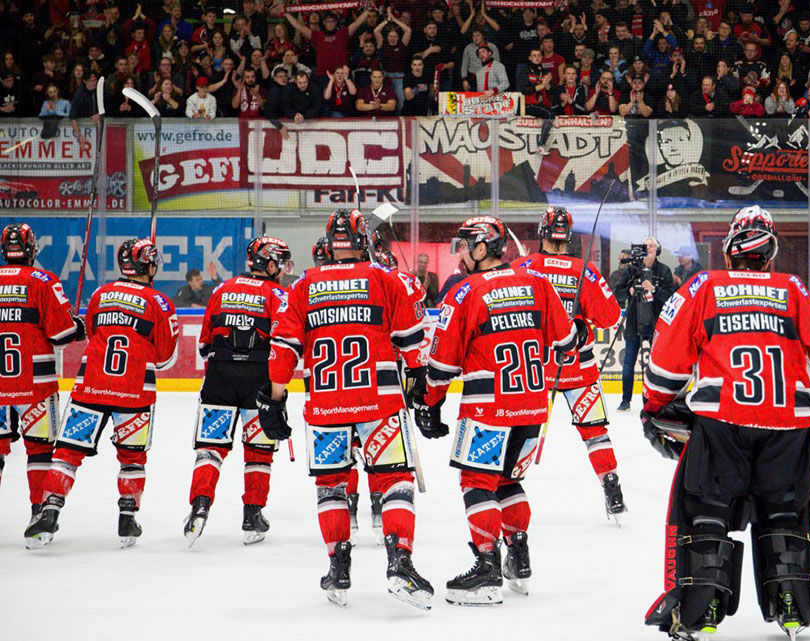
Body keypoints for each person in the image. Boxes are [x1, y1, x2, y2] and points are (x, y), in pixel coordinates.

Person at [641, 206, 810, 639]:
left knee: (707, 511)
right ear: (769, 255)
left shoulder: (704, 285)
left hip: (723, 423)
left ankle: (702, 609)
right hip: (788, 425)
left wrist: (654, 405)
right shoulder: (793, 288)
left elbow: (666, 360)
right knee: (784, 512)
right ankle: (794, 603)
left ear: (730, 250)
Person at [257, 209, 432, 610]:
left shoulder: (304, 286)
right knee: (395, 481)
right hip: (380, 401)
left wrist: (275, 399)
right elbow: (412, 342)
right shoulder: (384, 279)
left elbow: (283, 348)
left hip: (325, 405)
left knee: (331, 486)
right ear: (363, 240)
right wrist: (420, 383)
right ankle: (400, 562)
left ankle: (338, 567)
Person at [412, 215, 578, 606]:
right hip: (534, 406)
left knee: (477, 481)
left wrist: (429, 402)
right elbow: (568, 340)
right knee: (508, 482)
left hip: (488, 407)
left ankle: (487, 567)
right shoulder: (538, 283)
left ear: (483, 248)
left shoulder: (465, 292)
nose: (463, 252)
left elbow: (443, 364)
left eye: (467, 244)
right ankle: (518, 558)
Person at [25, 239, 180, 549]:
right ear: (149, 266)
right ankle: (127, 519)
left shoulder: (100, 294)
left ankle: (49, 512)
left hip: (91, 387)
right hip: (134, 392)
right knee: (132, 459)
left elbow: (94, 333)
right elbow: (165, 358)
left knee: (67, 454)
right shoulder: (159, 302)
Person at [511, 207, 625, 520]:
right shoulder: (585, 270)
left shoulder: (523, 267)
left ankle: (506, 488)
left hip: (534, 371)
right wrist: (583, 322)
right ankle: (610, 482)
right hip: (580, 367)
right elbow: (611, 316)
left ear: (541, 232)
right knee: (595, 432)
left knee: (521, 433)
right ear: (568, 236)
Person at [184, 238, 292, 547]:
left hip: (219, 376)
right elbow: (283, 344)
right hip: (259, 378)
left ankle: (200, 506)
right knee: (259, 451)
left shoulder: (221, 290)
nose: (283, 269)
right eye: (280, 262)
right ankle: (252, 515)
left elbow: (204, 344)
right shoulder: (278, 294)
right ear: (269, 264)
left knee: (210, 448)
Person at [0, 224, 84, 522]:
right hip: (35, 386)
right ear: (31, 249)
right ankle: (38, 514)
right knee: (40, 450)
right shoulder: (42, 280)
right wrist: (77, 325)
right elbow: (61, 334)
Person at [614, 237, 676, 411]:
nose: (648, 248)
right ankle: (625, 400)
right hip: (635, 321)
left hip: (656, 322)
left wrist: (654, 289)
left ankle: (650, 400)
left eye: (652, 245)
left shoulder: (664, 271)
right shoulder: (632, 270)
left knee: (654, 364)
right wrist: (629, 290)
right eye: (645, 245)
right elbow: (617, 292)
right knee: (628, 363)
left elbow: (672, 297)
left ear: (658, 250)